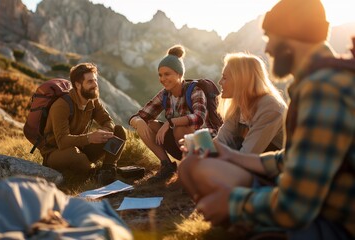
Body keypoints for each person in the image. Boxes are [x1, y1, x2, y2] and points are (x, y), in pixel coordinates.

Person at [178, 0, 355, 239]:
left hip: (334, 222)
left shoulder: (321, 90)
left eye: (270, 38)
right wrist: (230, 155)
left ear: (290, 38)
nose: (269, 49)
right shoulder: (319, 82)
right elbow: (291, 160)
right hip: (312, 201)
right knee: (194, 165)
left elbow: (296, 206)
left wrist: (232, 203)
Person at [129, 45, 213, 182]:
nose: (163, 79)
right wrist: (138, 121)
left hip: (203, 148)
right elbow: (139, 115)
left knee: (180, 127)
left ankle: (193, 171)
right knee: (150, 124)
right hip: (180, 144)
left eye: (167, 74)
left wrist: (170, 122)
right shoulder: (165, 95)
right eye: (160, 75)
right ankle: (167, 166)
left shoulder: (195, 90)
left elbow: (199, 118)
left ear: (179, 74)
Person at [40, 62, 126, 185]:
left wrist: (106, 131)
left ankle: (107, 169)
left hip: (81, 147)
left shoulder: (93, 101)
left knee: (119, 131)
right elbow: (62, 141)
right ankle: (92, 172)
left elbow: (108, 121)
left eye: (95, 80)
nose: (95, 85)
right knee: (75, 155)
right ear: (78, 85)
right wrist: (89, 138)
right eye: (90, 81)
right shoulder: (61, 105)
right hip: (56, 152)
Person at [216, 52, 287, 154]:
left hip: (275, 168)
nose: (220, 82)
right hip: (249, 163)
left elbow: (248, 154)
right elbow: (222, 140)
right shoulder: (239, 106)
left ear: (240, 81)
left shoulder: (270, 108)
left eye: (225, 78)